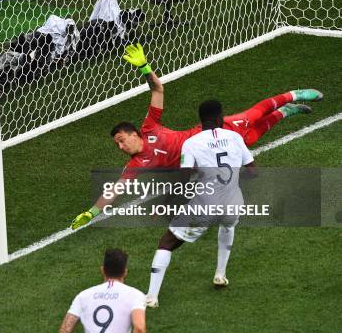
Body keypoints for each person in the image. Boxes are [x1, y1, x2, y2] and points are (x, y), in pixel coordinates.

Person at [70, 43, 322, 229]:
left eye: (121, 140)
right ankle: (286, 112)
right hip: (205, 153)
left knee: (251, 116)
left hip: (207, 132)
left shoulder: (150, 127)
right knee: (249, 139)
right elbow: (116, 189)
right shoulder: (136, 164)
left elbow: (158, 89)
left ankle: (293, 95)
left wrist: (145, 68)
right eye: (117, 144)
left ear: (134, 133)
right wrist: (91, 212)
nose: (120, 146)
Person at [145, 99, 255, 308]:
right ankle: (220, 275)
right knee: (228, 224)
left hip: (205, 205)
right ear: (219, 117)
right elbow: (253, 172)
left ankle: (151, 297)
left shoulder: (192, 143)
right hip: (233, 202)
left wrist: (165, 203)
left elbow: (184, 179)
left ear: (201, 120)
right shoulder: (234, 137)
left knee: (166, 242)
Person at [59, 248, 146, 333]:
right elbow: (139, 328)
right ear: (125, 272)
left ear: (102, 270)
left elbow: (65, 329)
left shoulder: (83, 296)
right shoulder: (135, 295)